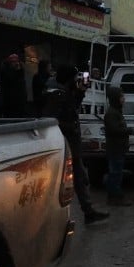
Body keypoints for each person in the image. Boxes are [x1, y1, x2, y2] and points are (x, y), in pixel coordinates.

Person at [44, 65, 109, 224]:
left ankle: (88, 211)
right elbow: (53, 119)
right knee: (65, 177)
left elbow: (72, 107)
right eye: (74, 78)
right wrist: (70, 127)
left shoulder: (62, 92)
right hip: (64, 142)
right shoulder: (57, 94)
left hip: (70, 142)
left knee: (79, 176)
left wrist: (80, 92)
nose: (77, 80)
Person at [102, 85, 132, 207]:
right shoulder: (112, 113)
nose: (123, 99)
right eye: (121, 97)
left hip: (118, 148)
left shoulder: (116, 112)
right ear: (115, 98)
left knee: (117, 172)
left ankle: (115, 196)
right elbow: (113, 130)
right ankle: (114, 197)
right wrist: (128, 131)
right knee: (115, 173)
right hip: (115, 148)